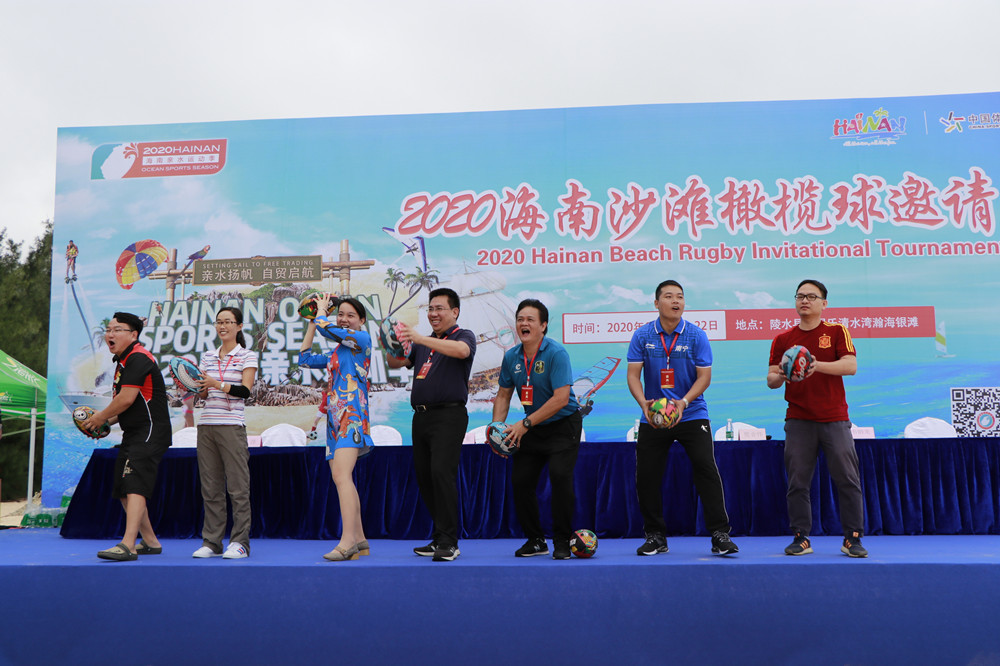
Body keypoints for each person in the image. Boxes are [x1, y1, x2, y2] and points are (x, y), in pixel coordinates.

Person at [626, 280, 739, 556]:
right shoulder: (642, 335)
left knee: (706, 468)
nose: (675, 301)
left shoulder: (696, 335)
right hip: (654, 416)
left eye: (680, 297)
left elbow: (704, 377)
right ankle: (655, 536)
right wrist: (644, 404)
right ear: (657, 303)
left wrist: (683, 402)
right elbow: (633, 375)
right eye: (668, 296)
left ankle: (720, 534)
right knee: (647, 476)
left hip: (692, 412)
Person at [767, 279, 867, 558]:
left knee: (847, 479)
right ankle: (801, 537)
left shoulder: (836, 331)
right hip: (798, 419)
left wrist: (814, 364)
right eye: (800, 296)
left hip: (834, 418)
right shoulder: (783, 339)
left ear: (824, 303)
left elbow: (850, 366)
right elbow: (771, 380)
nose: (805, 301)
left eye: (811, 296)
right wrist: (782, 375)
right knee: (797, 482)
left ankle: (853, 538)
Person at [388, 287, 476, 562]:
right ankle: (440, 537)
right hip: (421, 417)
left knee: (441, 473)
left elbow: (461, 352)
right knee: (425, 477)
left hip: (449, 416)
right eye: (430, 309)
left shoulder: (463, 336)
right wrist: (391, 342)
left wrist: (419, 338)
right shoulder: (423, 344)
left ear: (455, 311)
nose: (433, 313)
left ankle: (450, 542)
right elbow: (395, 362)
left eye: (439, 308)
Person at [492, 298, 582, 560]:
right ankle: (535, 540)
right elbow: (503, 395)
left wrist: (525, 424)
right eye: (520, 319)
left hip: (563, 425)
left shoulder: (556, 353)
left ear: (543, 326)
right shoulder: (512, 356)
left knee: (560, 477)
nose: (524, 323)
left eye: (530, 319)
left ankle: (562, 541)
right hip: (532, 426)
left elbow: (561, 399)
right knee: (521, 481)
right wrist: (496, 429)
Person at [80, 312, 171, 561]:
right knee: (122, 489)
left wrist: (100, 417)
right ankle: (150, 541)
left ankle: (128, 545)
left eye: (117, 329)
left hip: (150, 431)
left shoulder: (138, 357)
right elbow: (125, 407)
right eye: (108, 329)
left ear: (133, 334)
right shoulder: (123, 361)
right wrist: (99, 424)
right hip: (134, 432)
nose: (110, 334)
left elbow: (126, 399)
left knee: (134, 485)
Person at [298, 294, 374, 561]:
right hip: (334, 421)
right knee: (342, 478)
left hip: (352, 417)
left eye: (350, 315)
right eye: (340, 314)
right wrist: (311, 322)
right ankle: (360, 540)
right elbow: (304, 359)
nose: (343, 319)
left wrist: (321, 313)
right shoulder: (336, 352)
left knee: (342, 476)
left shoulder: (361, 340)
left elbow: (327, 329)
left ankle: (347, 542)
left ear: (361, 321)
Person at [191, 307, 258, 560]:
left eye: (228, 322)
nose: (223, 326)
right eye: (219, 322)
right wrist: (196, 386)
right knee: (211, 488)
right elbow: (203, 393)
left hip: (232, 426)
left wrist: (216, 383)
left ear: (239, 326)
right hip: (206, 425)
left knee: (238, 488)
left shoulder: (247, 356)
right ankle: (212, 542)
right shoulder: (208, 356)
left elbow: (245, 391)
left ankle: (240, 543)